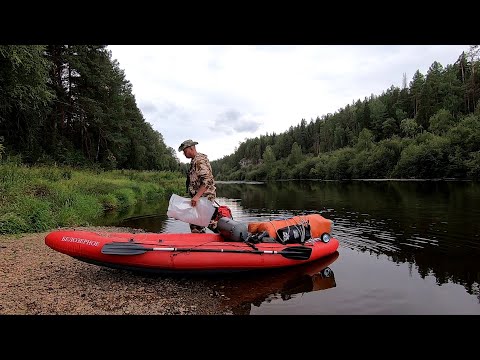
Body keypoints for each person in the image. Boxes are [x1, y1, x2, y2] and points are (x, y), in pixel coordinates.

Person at [178, 139, 218, 233]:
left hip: (204, 198)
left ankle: (225, 237)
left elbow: (207, 180)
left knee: (196, 225)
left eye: (185, 151)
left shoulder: (199, 160)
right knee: (197, 223)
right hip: (200, 198)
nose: (184, 153)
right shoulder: (194, 160)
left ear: (191, 148)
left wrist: (197, 196)